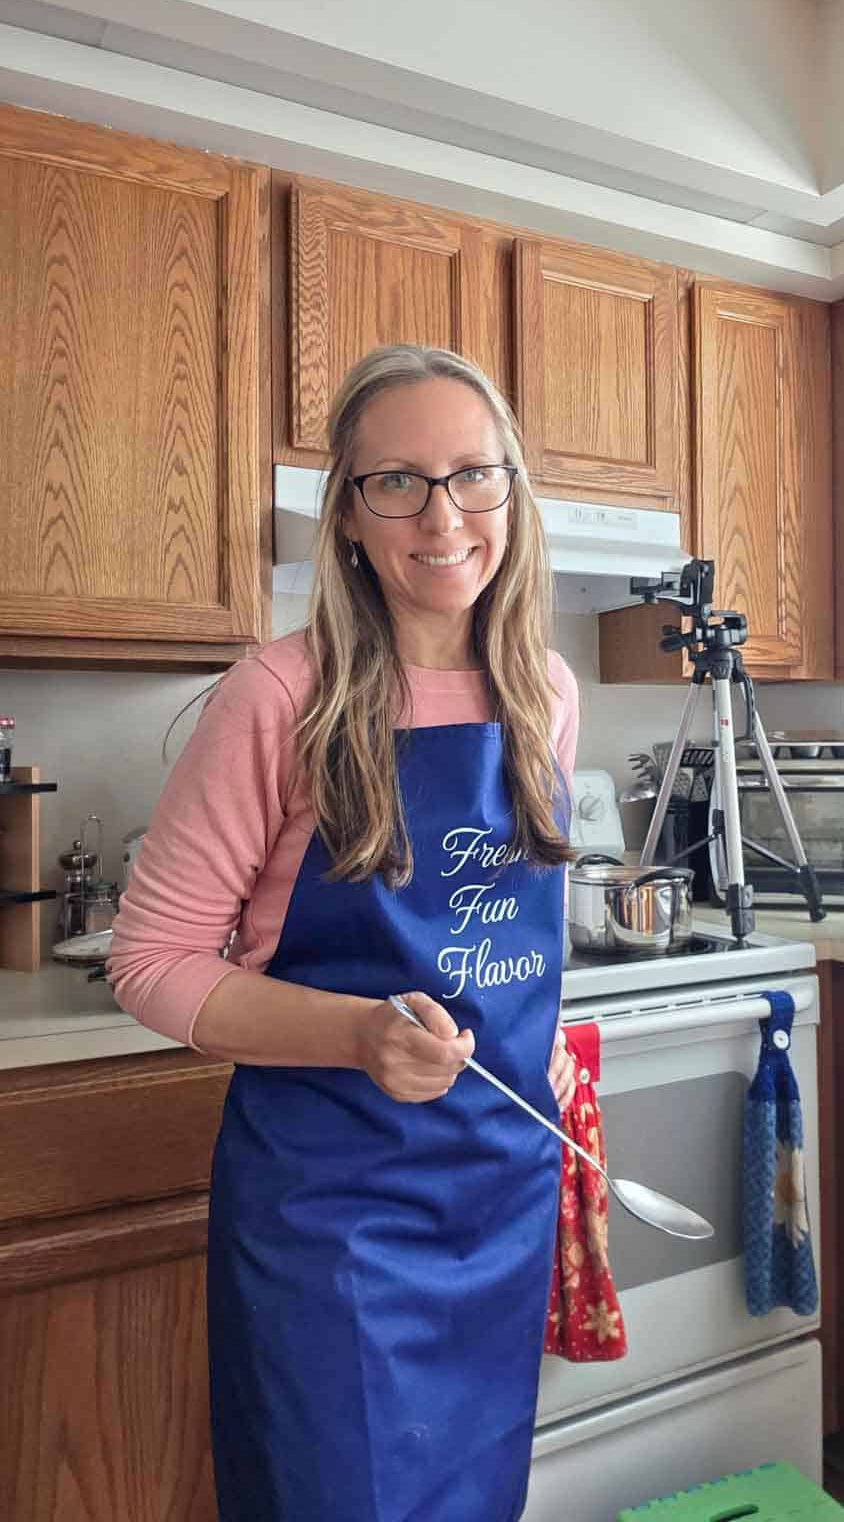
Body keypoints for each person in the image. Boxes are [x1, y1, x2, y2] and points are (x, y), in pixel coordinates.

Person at [108, 344, 580, 1522]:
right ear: (351, 516)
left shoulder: (546, 690)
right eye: (398, 482)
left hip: (498, 1191)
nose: (443, 514)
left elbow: (505, 939)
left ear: (513, 498)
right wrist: (363, 1033)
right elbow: (151, 961)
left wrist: (551, 1052)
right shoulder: (282, 694)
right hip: (335, 1211)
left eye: (475, 475)